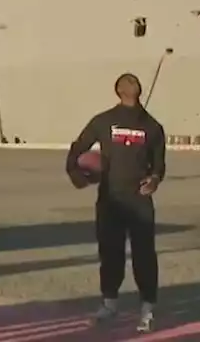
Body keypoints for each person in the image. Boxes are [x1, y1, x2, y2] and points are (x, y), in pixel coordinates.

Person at [65, 73, 166, 333]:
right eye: (129, 84)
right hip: (110, 199)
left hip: (140, 200)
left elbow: (159, 165)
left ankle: (147, 308)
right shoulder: (104, 121)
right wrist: (77, 175)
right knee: (110, 252)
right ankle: (109, 303)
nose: (133, 87)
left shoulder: (153, 127)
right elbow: (78, 148)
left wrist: (154, 180)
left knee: (144, 255)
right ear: (121, 91)